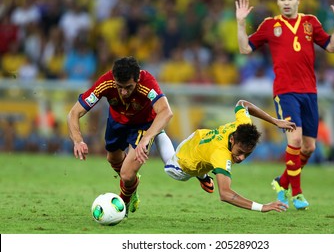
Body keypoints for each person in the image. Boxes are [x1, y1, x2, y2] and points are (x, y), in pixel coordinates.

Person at [235, 0, 334, 210]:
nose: (286, 3)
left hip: (310, 92)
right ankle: (296, 193)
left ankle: (282, 182)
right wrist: (240, 23)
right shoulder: (270, 25)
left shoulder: (311, 23)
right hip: (285, 92)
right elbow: (245, 49)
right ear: (277, 2)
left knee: (309, 148)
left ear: (298, 0)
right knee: (295, 140)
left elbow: (332, 47)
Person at [67, 56, 174, 216]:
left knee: (126, 174)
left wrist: (147, 138)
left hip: (142, 125)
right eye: (119, 87)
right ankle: (132, 185)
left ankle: (123, 202)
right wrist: (78, 140)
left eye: (128, 87)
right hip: (117, 122)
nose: (123, 92)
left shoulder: (147, 83)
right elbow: (74, 112)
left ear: (137, 79)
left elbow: (166, 112)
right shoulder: (106, 81)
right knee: (113, 159)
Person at [159, 99, 295, 213]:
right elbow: (225, 194)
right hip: (183, 164)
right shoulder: (221, 154)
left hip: (199, 137)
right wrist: (263, 207)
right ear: (232, 140)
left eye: (247, 153)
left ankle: (203, 175)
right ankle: (156, 129)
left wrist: (275, 121)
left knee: (207, 161)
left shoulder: (244, 126)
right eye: (240, 152)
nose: (242, 158)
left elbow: (242, 103)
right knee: (168, 161)